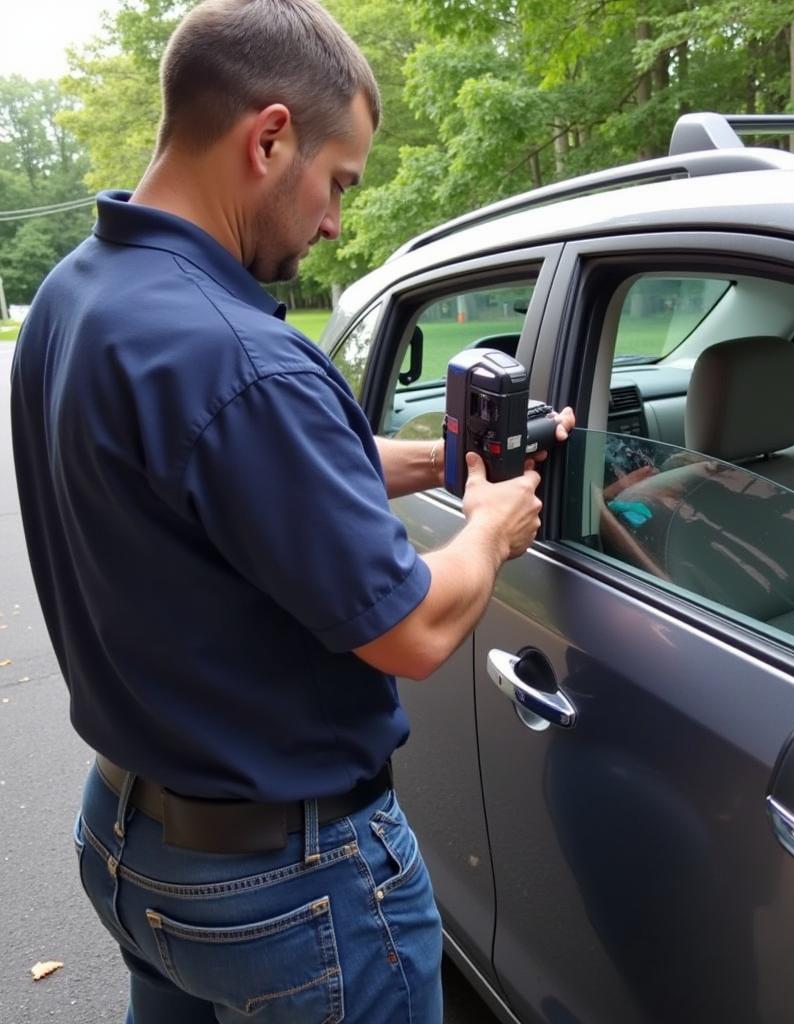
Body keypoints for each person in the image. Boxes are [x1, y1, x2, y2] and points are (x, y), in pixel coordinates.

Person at [9, 2, 573, 1022]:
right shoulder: (241, 357)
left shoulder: (77, 297)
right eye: (338, 183)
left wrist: (459, 461)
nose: (333, 223)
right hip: (286, 892)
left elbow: (244, 473)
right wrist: (490, 525)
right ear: (269, 137)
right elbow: (410, 629)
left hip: (131, 841)